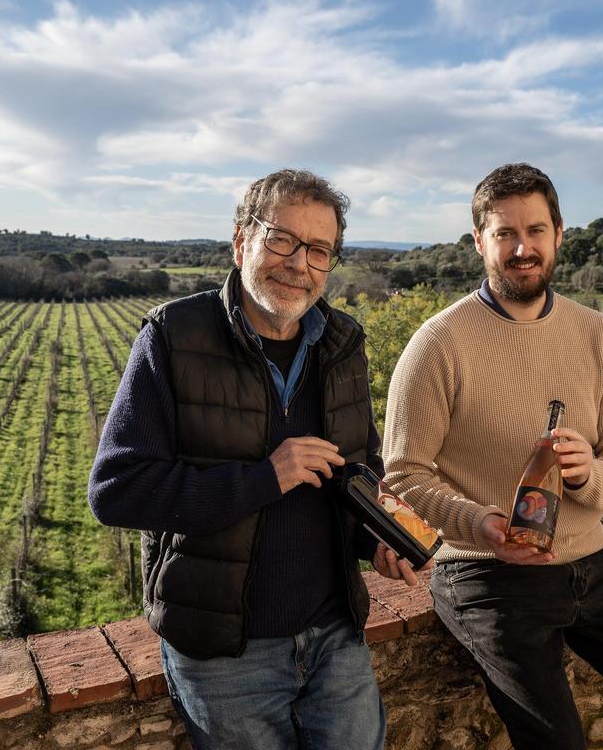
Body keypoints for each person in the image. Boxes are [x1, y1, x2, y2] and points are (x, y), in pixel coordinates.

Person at [382, 163, 603, 750]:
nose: (523, 248)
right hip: (485, 574)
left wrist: (589, 474)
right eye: (505, 234)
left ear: (559, 235)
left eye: (536, 231)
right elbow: (403, 476)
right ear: (479, 242)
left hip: (593, 566)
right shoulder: (438, 343)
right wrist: (481, 523)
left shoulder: (597, 335)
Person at [88, 169, 420, 750]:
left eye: (320, 250)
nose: (300, 264)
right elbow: (117, 489)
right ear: (241, 240)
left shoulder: (343, 343)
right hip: (224, 652)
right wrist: (264, 478)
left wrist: (380, 540)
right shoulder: (173, 336)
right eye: (282, 239)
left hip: (334, 632)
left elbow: (356, 469)